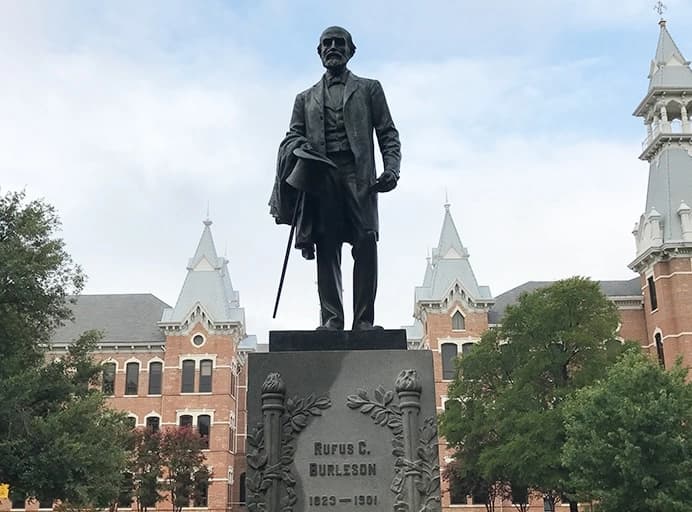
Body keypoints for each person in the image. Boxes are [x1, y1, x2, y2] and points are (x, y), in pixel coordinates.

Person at [269, 26, 401, 331]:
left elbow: (387, 133)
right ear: (319, 52)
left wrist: (392, 168)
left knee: (365, 241)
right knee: (327, 247)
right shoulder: (304, 98)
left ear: (351, 50)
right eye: (326, 44)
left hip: (359, 176)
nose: (332, 47)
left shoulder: (369, 89)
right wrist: (297, 146)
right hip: (322, 177)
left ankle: (364, 321)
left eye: (338, 43)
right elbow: (293, 136)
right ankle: (331, 319)